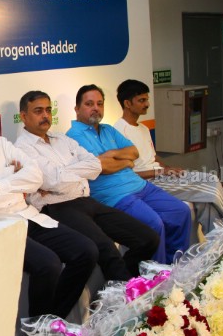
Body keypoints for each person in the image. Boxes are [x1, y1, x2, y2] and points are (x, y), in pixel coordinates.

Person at [0, 89, 97, 318]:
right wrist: (14, 181)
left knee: (87, 251)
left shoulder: (2, 143)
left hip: (27, 215)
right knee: (48, 264)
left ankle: (52, 321)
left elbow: (35, 178)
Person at [16, 90, 158, 278]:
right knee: (106, 249)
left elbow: (94, 164)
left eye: (48, 110)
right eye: (38, 111)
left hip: (85, 200)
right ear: (24, 116)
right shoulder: (21, 148)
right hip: (57, 207)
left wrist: (66, 172)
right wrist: (73, 170)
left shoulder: (62, 138)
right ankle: (126, 296)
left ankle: (122, 287)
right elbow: (52, 180)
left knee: (148, 239)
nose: (45, 116)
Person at [67, 85, 191, 264]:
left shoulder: (108, 129)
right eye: (89, 104)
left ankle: (177, 265)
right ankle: (157, 279)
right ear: (77, 109)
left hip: (140, 186)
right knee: (154, 223)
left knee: (181, 211)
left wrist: (114, 156)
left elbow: (134, 152)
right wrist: (123, 161)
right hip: (115, 195)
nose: (96, 108)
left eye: (100, 103)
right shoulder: (73, 136)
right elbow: (101, 167)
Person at [114, 79, 223, 236]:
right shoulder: (118, 131)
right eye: (142, 100)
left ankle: (219, 245)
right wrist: (161, 173)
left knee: (205, 203)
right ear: (127, 103)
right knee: (211, 182)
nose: (147, 104)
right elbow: (126, 174)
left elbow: (153, 158)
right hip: (146, 185)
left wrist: (169, 169)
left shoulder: (143, 128)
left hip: (161, 177)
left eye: (147, 99)